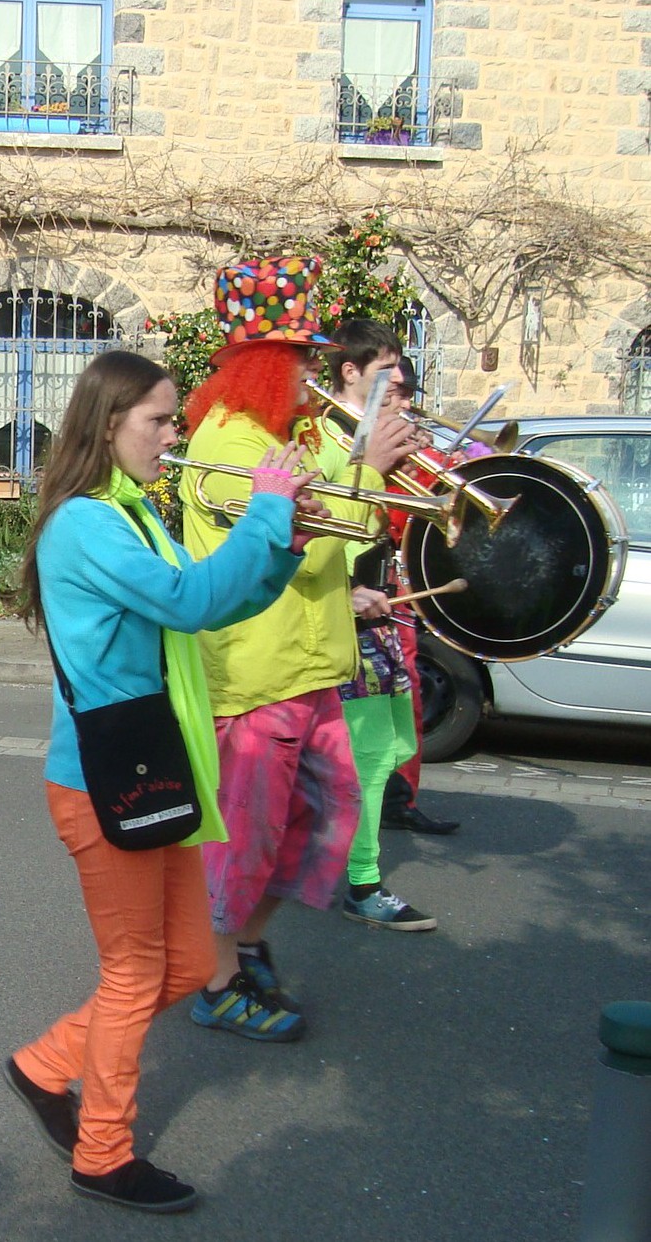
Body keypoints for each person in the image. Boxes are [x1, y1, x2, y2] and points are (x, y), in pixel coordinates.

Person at [4, 349, 317, 1214]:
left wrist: (286, 539)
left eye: (173, 417)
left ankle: (44, 1066)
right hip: (102, 780)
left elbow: (217, 600)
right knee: (137, 972)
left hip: (154, 765)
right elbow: (190, 601)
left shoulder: (132, 511)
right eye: (159, 420)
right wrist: (265, 510)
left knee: (187, 965)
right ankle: (103, 1154)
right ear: (109, 424)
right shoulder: (86, 523)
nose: (173, 435)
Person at [178, 254, 420, 1041]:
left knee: (324, 822)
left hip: (312, 666)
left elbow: (338, 543)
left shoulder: (292, 434)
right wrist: (369, 471)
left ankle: (245, 945)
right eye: (302, 358)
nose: (314, 371)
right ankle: (216, 981)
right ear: (263, 363)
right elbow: (301, 541)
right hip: (256, 675)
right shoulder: (230, 441)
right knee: (245, 842)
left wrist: (367, 479)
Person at [325, 320, 438, 931]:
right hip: (345, 611)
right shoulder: (326, 437)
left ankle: (316, 861)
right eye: (385, 370)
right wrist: (343, 592)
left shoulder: (374, 432)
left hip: (380, 608)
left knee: (394, 745)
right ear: (351, 372)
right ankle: (362, 882)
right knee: (367, 756)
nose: (399, 382)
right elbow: (318, 525)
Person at [379, 357, 462, 836]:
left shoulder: (410, 446)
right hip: (364, 584)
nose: (406, 403)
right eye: (396, 393)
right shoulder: (347, 438)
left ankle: (398, 798)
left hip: (398, 588)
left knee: (404, 694)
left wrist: (440, 469)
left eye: (408, 393)